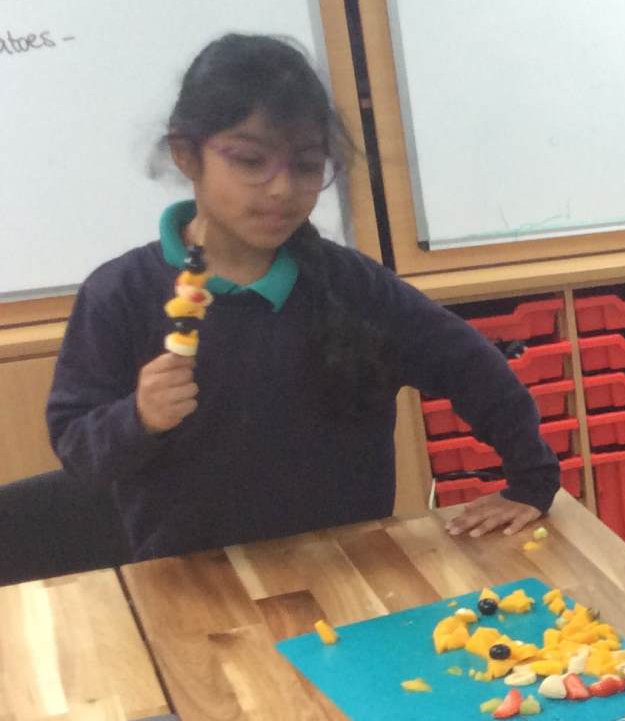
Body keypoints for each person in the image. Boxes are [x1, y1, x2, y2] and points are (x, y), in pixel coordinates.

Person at [46, 34, 558, 560]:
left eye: (308, 165)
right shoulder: (120, 295)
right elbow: (77, 448)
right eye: (250, 161)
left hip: (349, 573)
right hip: (191, 583)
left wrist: (531, 481)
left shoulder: (354, 288)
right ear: (186, 155)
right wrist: (138, 417)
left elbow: (471, 365)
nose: (281, 189)